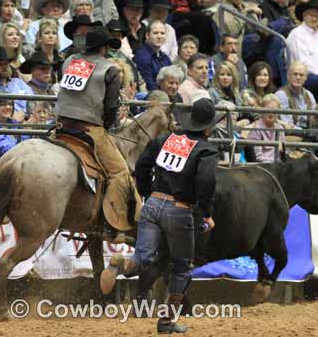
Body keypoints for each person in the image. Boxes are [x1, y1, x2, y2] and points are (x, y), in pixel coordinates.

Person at [100, 97, 219, 334]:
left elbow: (142, 165)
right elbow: (206, 181)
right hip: (180, 210)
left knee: (143, 257)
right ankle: (166, 321)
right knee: (182, 267)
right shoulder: (206, 149)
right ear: (208, 127)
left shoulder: (164, 140)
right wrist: (206, 213)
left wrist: (146, 192)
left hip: (153, 204)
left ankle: (120, 264)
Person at [54, 25, 140, 237]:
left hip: (61, 125)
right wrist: (108, 126)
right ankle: (116, 224)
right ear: (104, 48)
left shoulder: (69, 61)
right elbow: (111, 107)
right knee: (121, 172)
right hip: (89, 128)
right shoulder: (110, 69)